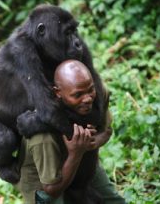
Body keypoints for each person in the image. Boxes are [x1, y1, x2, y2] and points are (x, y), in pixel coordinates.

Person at [16, 60, 125, 204]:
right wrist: (76, 153)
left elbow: (106, 131)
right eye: (78, 95)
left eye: (90, 90)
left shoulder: (98, 95)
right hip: (45, 181)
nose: (87, 99)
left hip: (81, 159)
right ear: (58, 93)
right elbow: (52, 189)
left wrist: (90, 142)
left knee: (114, 201)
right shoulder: (42, 136)